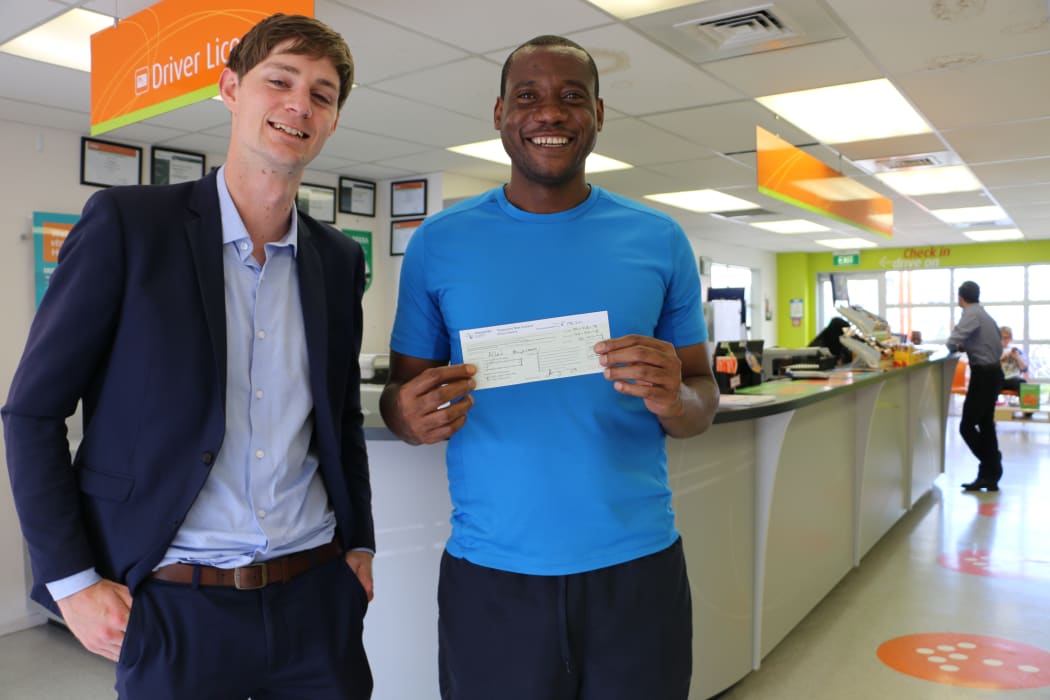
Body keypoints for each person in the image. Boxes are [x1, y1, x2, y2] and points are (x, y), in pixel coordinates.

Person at [2, 14, 374, 699]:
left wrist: (361, 545)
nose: (300, 104)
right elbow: (30, 413)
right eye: (279, 81)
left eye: (322, 95)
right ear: (231, 89)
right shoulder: (129, 227)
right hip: (175, 605)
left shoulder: (338, 260)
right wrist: (73, 582)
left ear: (332, 121)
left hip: (316, 601)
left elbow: (342, 415)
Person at [380, 35, 718, 700]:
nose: (551, 113)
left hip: (636, 566)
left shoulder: (658, 239)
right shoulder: (439, 244)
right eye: (529, 96)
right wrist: (408, 416)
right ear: (501, 111)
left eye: (572, 97)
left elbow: (701, 397)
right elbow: (400, 393)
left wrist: (676, 400)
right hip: (492, 575)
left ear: (598, 111)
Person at [946, 280, 1004, 492]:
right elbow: (989, 342)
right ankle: (989, 476)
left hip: (984, 376)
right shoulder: (983, 314)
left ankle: (992, 464)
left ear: (960, 297)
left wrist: (955, 345)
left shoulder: (970, 315)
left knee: (966, 426)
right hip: (993, 373)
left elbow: (952, 342)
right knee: (986, 424)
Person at [999, 325, 1029, 393]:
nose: (1004, 340)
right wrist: (1002, 358)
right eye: (1002, 337)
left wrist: (1017, 357)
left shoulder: (1017, 350)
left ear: (1010, 338)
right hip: (998, 378)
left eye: (1007, 337)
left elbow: (1024, 369)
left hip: (1013, 378)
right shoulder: (994, 351)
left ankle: (1025, 402)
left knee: (1022, 383)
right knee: (987, 383)